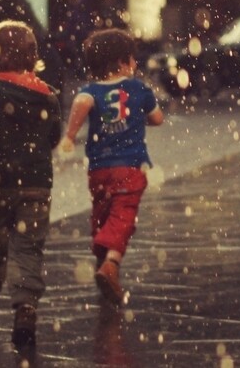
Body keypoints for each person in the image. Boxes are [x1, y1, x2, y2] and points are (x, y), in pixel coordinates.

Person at [0, 20, 62, 348]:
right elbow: (54, 137)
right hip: (37, 185)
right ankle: (26, 308)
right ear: (33, 58)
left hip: (0, 184)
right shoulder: (48, 96)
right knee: (29, 247)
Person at [60, 28, 164, 307]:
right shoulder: (138, 89)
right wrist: (145, 113)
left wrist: (70, 136)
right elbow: (157, 118)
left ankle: (101, 254)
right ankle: (110, 264)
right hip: (130, 167)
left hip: (99, 169)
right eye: (132, 60)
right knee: (124, 215)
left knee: (102, 211)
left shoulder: (90, 91)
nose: (135, 65)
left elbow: (82, 103)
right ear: (121, 62)